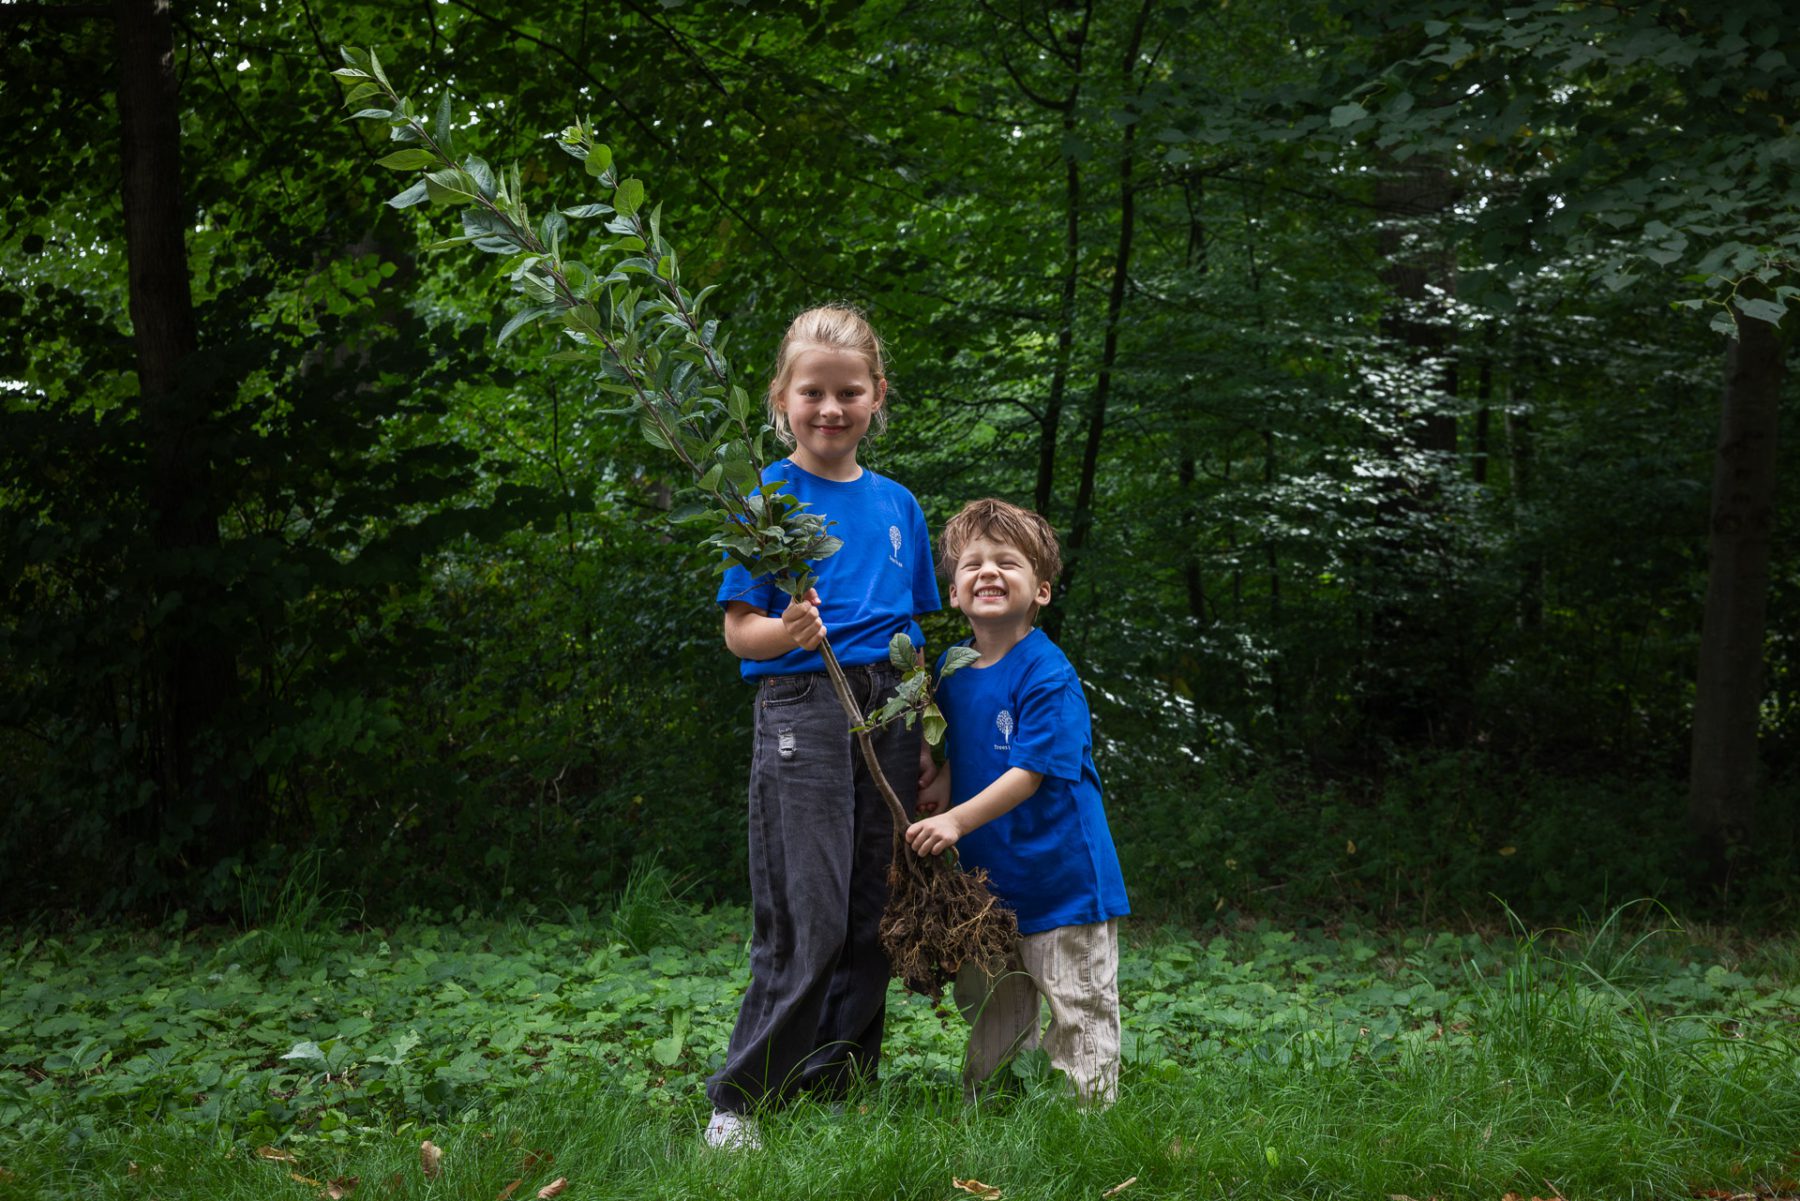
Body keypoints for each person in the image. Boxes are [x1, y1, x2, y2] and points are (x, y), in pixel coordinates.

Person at [703, 305, 941, 1149]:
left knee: (874, 906)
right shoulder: (766, 500)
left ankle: (835, 1082)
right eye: (813, 392)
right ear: (781, 397)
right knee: (809, 909)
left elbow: (917, 634)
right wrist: (788, 631)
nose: (831, 409)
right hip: (803, 703)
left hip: (890, 708)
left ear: (878, 396)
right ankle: (740, 1101)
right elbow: (740, 631)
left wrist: (930, 741)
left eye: (849, 392)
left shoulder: (898, 504)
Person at [905, 498, 1129, 1105]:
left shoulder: (1046, 672)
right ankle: (995, 1108)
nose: (989, 572)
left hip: (1063, 883)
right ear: (954, 592)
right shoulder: (952, 670)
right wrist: (941, 784)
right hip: (988, 888)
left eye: (1007, 562)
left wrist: (955, 819)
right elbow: (970, 752)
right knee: (992, 1010)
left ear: (1042, 591)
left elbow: (1027, 773)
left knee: (1078, 1006)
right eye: (973, 563)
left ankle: (1087, 1119)